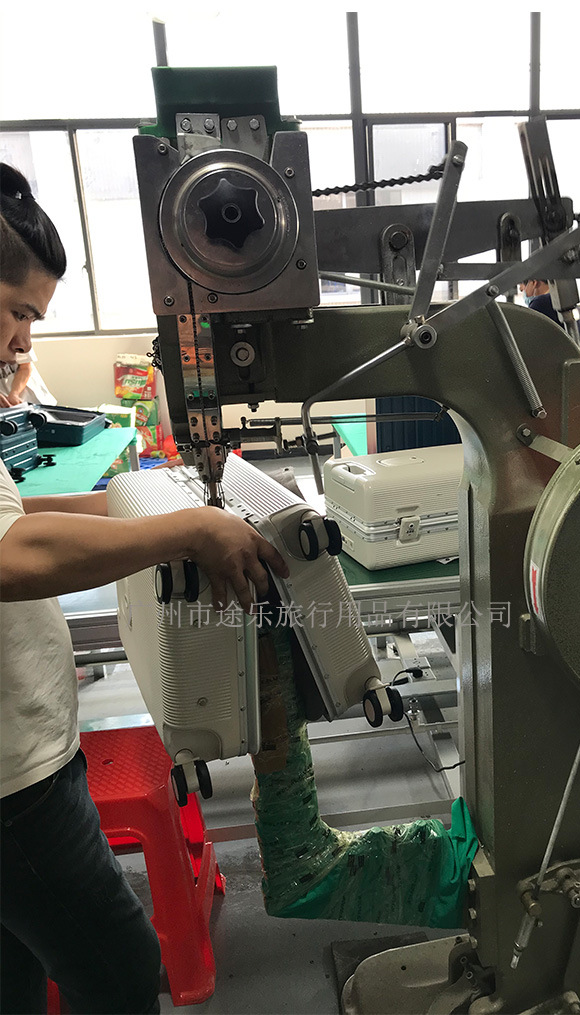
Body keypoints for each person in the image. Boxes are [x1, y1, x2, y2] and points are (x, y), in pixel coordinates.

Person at [0, 163, 289, 1014]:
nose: (22, 344)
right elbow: (9, 554)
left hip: (23, 759)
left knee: (14, 974)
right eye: (18, 312)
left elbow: (14, 513)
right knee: (121, 967)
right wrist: (184, 529)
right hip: (13, 787)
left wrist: (133, 497)